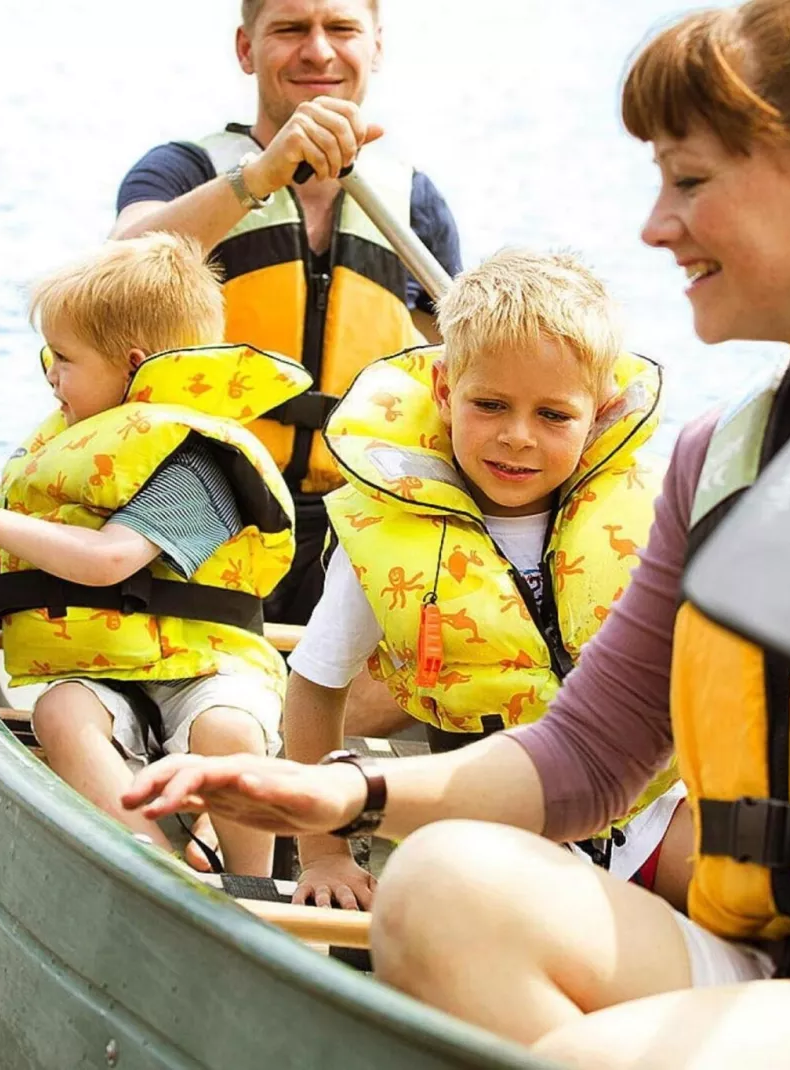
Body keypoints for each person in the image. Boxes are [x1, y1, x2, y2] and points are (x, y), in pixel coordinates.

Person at [122, 0, 790, 1065]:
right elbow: (582, 756)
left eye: (690, 181)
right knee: (440, 884)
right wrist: (341, 788)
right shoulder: (718, 461)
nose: (654, 225)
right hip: (785, 952)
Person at [0, 233, 309, 877]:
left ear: (132, 364)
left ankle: (252, 886)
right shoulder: (82, 446)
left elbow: (108, 562)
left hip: (205, 667)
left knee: (227, 732)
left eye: (63, 358)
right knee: (62, 711)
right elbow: (45, 554)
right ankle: (154, 865)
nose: (51, 375)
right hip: (102, 668)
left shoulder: (195, 464)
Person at [283, 248, 686, 911]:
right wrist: (325, 852)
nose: (518, 437)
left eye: (554, 415)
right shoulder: (392, 532)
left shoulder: (650, 515)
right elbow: (315, 688)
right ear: (444, 392)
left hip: (642, 815)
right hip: (487, 822)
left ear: (603, 410)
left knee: (763, 890)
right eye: (490, 405)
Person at [110, 0, 463, 630]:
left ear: (376, 45)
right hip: (198, 494)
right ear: (247, 49)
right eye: (291, 29)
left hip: (354, 509)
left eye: (343, 29)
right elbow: (117, 269)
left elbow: (464, 368)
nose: (319, 51)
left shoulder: (414, 198)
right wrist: (259, 177)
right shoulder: (184, 170)